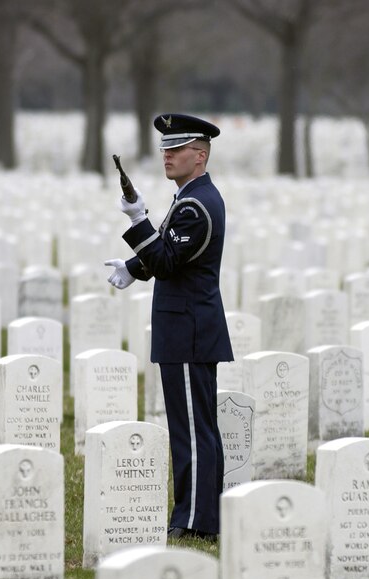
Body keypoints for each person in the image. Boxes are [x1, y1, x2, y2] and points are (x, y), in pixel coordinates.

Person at [104, 113, 233, 542]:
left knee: (192, 431)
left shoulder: (197, 205)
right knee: (195, 426)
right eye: (164, 148)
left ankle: (195, 521)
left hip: (189, 329)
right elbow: (164, 257)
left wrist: (137, 219)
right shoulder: (190, 198)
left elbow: (167, 260)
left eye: (176, 149)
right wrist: (133, 266)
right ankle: (203, 516)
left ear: (200, 155)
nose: (167, 155)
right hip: (188, 327)